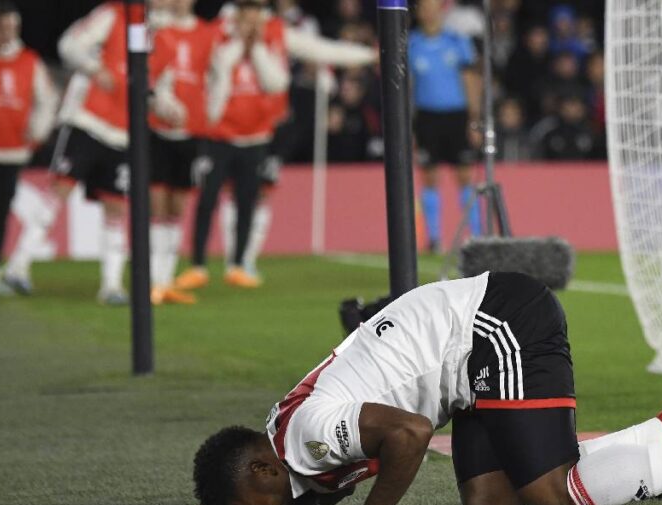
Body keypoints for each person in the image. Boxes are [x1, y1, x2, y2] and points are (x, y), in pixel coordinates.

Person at [163, 272, 662, 505]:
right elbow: (289, 487)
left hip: (495, 326)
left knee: (552, 502)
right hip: (462, 361)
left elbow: (412, 434)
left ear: (263, 469)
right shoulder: (277, 445)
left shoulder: (305, 436)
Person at [174, 0, 376, 291]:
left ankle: (238, 264)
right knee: (208, 199)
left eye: (256, 10)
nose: (252, 17)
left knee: (247, 199)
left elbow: (314, 54)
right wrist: (234, 47)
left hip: (256, 135)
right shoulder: (218, 32)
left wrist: (370, 54)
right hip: (217, 134)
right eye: (246, 11)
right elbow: (207, 69)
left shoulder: (275, 33)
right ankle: (198, 265)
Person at [34, 1, 136, 304]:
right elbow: (68, 45)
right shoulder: (112, 14)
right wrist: (95, 69)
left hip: (122, 132)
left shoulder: (159, 30)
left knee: (117, 206)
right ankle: (18, 266)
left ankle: (112, 285)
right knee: (60, 191)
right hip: (87, 120)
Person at [0, 1, 58, 294]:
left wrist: (37, 131)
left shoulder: (29, 60)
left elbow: (47, 99)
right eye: (2, 27)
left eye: (13, 28)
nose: (8, 33)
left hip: (12, 147)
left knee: (0, 205)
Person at [146, 0, 217, 305]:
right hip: (159, 130)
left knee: (177, 208)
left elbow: (215, 74)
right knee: (157, 205)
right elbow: (147, 78)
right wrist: (161, 103)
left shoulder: (207, 33)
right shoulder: (158, 33)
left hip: (191, 132)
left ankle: (166, 279)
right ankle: (152, 280)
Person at [409, 0, 482, 253]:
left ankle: (476, 237)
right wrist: (409, 125)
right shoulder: (412, 44)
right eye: (423, 7)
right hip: (427, 117)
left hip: (456, 115)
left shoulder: (457, 41)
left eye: (432, 7)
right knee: (429, 177)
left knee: (465, 176)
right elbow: (408, 86)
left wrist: (474, 119)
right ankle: (434, 238)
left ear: (441, 10)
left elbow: (470, 79)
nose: (428, 12)